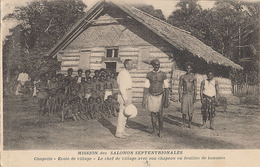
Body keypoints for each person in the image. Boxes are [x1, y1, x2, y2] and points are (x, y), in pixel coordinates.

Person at [142, 59, 169, 137]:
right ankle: (154, 129)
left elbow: (166, 87)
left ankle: (160, 131)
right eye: (155, 65)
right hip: (151, 96)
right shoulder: (149, 74)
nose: (157, 66)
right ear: (153, 66)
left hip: (160, 96)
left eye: (158, 65)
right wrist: (144, 99)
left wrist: (166, 99)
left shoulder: (163, 74)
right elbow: (146, 87)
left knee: (160, 114)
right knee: (153, 114)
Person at [115, 59, 134, 139]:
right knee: (122, 114)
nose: (132, 66)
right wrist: (125, 98)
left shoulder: (126, 73)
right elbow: (122, 87)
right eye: (131, 64)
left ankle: (122, 130)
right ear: (126, 65)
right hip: (124, 94)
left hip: (128, 93)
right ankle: (118, 132)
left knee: (126, 114)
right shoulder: (122, 73)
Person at [178, 62, 197, 129]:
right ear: (185, 69)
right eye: (187, 68)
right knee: (184, 109)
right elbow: (180, 87)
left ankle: (189, 123)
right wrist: (180, 96)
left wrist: (195, 96)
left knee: (190, 110)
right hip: (185, 94)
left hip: (191, 94)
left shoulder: (194, 77)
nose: (188, 69)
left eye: (189, 68)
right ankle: (184, 123)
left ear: (191, 69)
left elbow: (195, 87)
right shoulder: (182, 77)